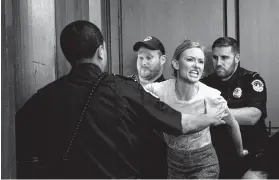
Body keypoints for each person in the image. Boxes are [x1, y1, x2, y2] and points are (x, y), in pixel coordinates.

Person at [15, 21, 227, 179]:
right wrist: (213, 116)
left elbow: (17, 139)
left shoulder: (46, 96)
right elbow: (182, 123)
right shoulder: (125, 90)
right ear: (101, 51)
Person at [144, 40, 247, 179]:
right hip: (173, 163)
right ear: (176, 64)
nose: (196, 65)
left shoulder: (211, 96)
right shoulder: (159, 90)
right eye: (190, 59)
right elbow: (132, 96)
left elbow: (233, 124)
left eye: (200, 61)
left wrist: (240, 152)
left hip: (204, 163)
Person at [201, 37, 270, 178]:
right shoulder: (204, 84)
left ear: (236, 58)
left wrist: (215, 113)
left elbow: (253, 116)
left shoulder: (251, 80)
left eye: (224, 58)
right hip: (219, 156)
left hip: (253, 154)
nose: (218, 63)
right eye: (215, 57)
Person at [129, 36, 168, 178]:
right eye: (140, 58)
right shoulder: (124, 87)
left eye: (149, 58)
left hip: (157, 168)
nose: (143, 62)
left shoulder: (170, 92)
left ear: (162, 59)